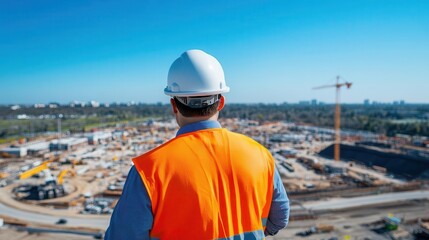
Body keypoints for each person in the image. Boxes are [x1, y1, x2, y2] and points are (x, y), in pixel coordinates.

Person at [105, 49, 289, 239]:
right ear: (221, 102)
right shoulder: (260, 155)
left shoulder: (148, 171)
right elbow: (280, 217)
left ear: (174, 105)